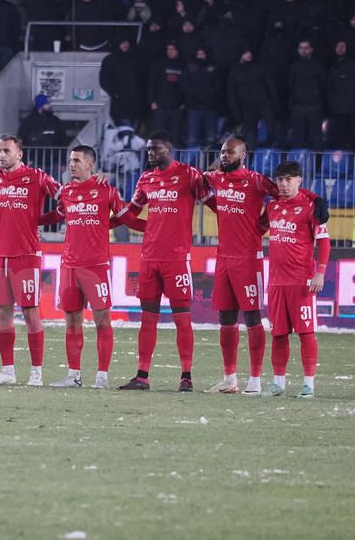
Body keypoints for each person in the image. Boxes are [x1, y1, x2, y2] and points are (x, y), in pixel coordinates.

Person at [42, 145, 141, 390]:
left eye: (76, 160)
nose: (71, 164)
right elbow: (56, 215)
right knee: (72, 321)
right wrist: (29, 221)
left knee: (102, 321)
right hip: (69, 266)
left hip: (96, 266)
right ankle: (74, 375)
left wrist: (156, 228)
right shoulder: (66, 192)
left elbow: (126, 218)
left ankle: (102, 377)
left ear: (90, 164)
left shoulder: (106, 189)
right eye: (70, 160)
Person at [119, 131, 211, 392]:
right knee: (147, 319)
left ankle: (186, 377)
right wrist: (110, 213)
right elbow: (132, 213)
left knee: (182, 319)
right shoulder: (146, 178)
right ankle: (142, 376)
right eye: (148, 149)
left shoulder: (189, 175)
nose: (150, 153)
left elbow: (214, 201)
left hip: (177, 259)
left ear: (169, 150)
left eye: (155, 149)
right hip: (149, 258)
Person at [202, 137, 285, 396]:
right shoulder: (216, 178)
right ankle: (229, 379)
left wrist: (264, 222)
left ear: (243, 155)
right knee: (226, 318)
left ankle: (256, 380)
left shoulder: (257, 181)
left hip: (249, 259)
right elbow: (195, 180)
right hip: (224, 258)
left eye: (230, 152)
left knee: (251, 318)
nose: (224, 156)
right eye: (222, 152)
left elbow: (282, 196)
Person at [0, 134, 62, 387]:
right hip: (1, 254)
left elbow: (65, 197)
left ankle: (36, 373)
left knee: (31, 313)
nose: (1, 155)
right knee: (3, 312)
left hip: (26, 255)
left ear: (19, 154)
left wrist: (40, 220)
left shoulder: (37, 177)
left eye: (6, 150)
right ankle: (7, 371)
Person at [262, 160, 329, 398]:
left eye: (289, 179)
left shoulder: (311, 207)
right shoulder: (272, 207)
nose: (283, 184)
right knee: (278, 334)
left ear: (299, 180)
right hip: (276, 282)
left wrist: (319, 272)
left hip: (302, 281)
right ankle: (278, 384)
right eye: (280, 179)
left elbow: (324, 242)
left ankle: (309, 384)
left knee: (305, 333)